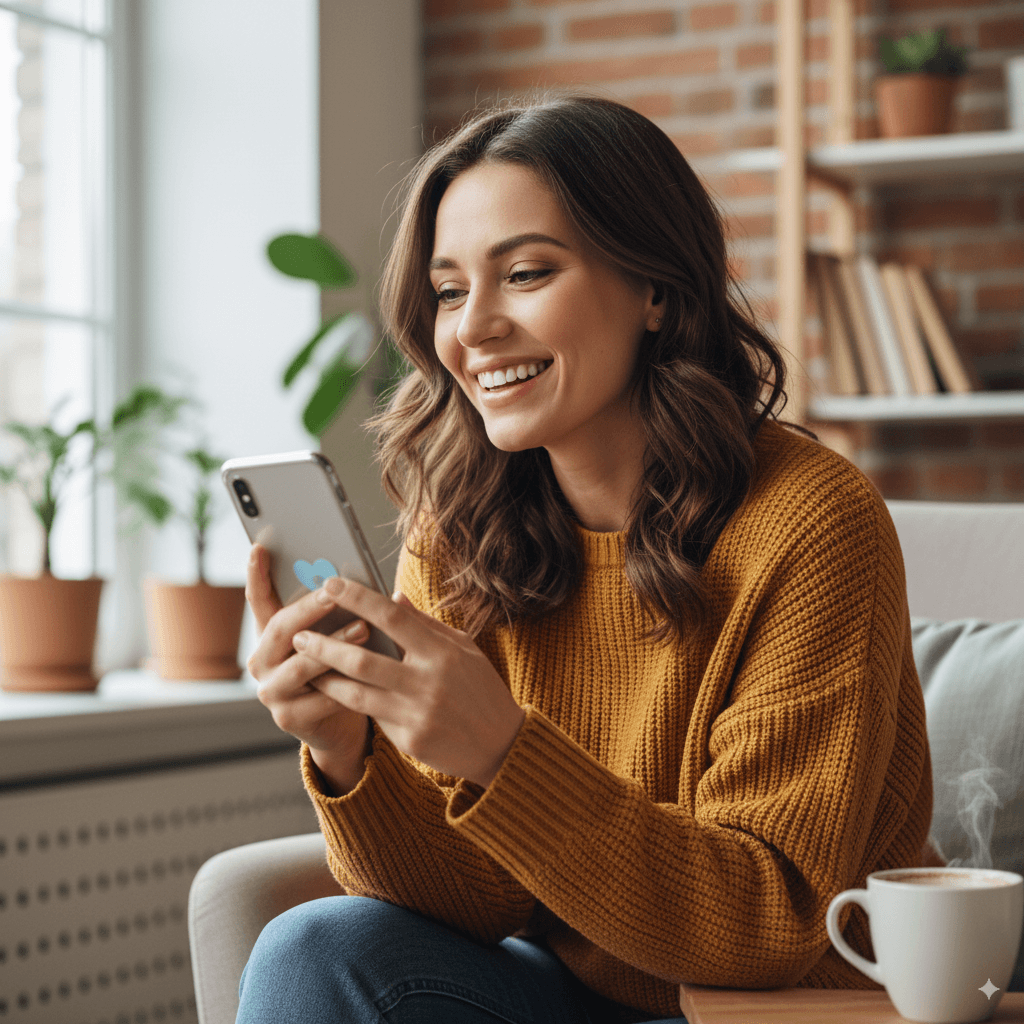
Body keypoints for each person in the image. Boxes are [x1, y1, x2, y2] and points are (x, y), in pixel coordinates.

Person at [235, 95, 934, 1024]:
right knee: (312, 947)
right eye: (449, 291)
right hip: (568, 993)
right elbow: (475, 900)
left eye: (524, 273)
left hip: (768, 1008)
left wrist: (502, 750)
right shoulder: (460, 532)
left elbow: (770, 923)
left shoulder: (811, 521)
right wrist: (345, 749)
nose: (473, 328)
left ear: (656, 289)